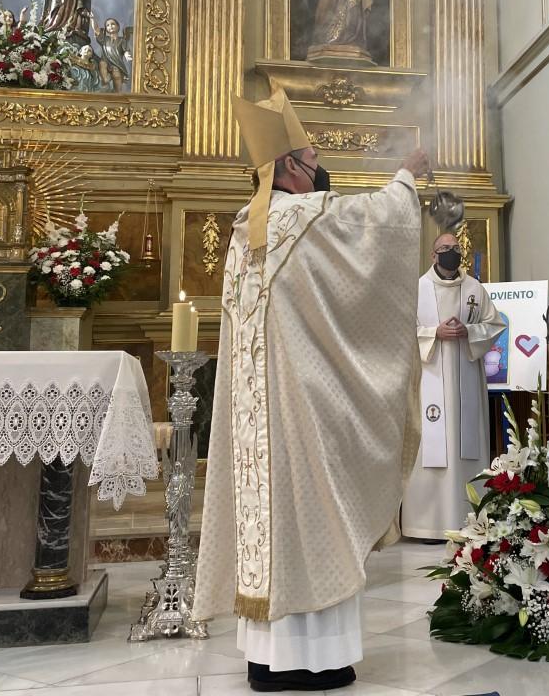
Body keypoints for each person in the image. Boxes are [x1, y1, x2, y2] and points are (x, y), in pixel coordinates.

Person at [192, 84, 431, 693]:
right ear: (287, 170)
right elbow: (377, 225)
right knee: (314, 520)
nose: (318, 171)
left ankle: (266, 658)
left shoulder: (248, 228)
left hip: (257, 416)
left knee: (271, 529)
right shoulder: (300, 218)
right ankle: (313, 660)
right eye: (311, 160)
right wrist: (405, 180)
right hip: (301, 412)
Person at [401, 235, 505, 541]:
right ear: (433, 255)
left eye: (455, 249)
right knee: (430, 445)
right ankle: (425, 524)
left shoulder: (475, 289)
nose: (451, 253)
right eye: (444, 249)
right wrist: (434, 333)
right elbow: (402, 330)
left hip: (466, 385)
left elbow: (495, 325)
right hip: (428, 381)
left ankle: (469, 521)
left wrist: (468, 331)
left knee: (463, 443)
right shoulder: (417, 289)